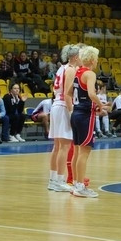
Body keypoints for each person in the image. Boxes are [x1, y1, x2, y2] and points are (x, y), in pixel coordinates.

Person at [64, 45, 103, 198]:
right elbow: (92, 94)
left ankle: (75, 184)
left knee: (78, 151)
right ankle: (80, 186)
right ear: (93, 60)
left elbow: (68, 92)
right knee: (84, 152)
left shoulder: (77, 72)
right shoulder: (89, 74)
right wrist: (101, 105)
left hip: (76, 113)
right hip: (86, 114)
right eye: (97, 58)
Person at [47, 44, 81, 192]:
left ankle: (53, 179)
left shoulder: (62, 67)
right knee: (64, 146)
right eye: (81, 56)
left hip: (56, 105)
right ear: (74, 57)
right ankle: (60, 180)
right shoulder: (71, 70)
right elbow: (68, 94)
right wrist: (72, 112)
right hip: (63, 107)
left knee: (57, 146)